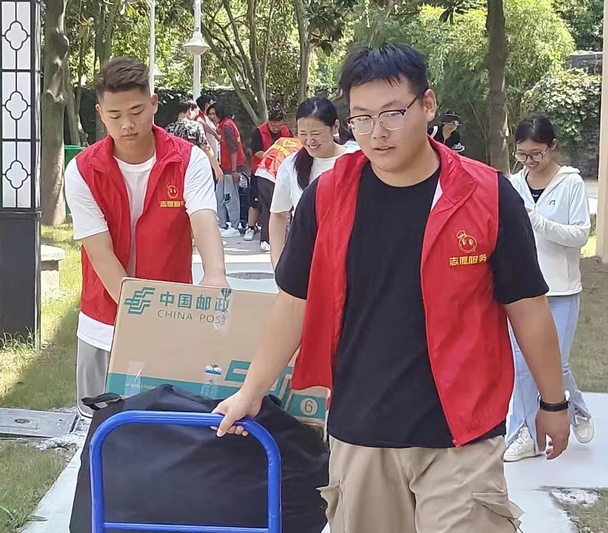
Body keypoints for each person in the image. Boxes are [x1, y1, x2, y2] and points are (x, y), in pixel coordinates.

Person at [213, 43, 571, 533]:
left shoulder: (487, 194)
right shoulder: (327, 197)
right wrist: (251, 391)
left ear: (427, 105)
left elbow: (527, 307)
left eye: (392, 114)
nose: (376, 133)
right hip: (362, 430)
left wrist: (553, 403)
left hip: (462, 434)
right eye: (361, 118)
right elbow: (294, 302)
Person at [64, 57, 228, 420]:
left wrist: (215, 273)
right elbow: (100, 253)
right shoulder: (82, 171)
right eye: (115, 115)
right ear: (100, 113)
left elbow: (203, 219)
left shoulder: (188, 160)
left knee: (166, 428)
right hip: (103, 324)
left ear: (153, 104)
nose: (127, 124)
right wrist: (139, 319)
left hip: (171, 318)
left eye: (136, 111)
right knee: (99, 429)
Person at [504, 114, 594, 462]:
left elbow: (580, 235)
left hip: (561, 289)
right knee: (523, 367)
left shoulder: (570, 183)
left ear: (552, 147)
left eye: (536, 153)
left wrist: (538, 221)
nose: (529, 161)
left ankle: (577, 409)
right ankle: (523, 433)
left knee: (557, 366)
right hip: (523, 290)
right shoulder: (514, 184)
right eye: (523, 154)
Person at [269, 97, 357, 267]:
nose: (309, 141)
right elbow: (278, 215)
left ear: (335, 127)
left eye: (316, 134)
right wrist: (278, 264)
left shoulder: (356, 160)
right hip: (307, 262)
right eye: (303, 134)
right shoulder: (290, 166)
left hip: (350, 261)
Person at [245, 108, 293, 243]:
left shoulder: (286, 132)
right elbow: (256, 152)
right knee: (256, 201)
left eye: (279, 125)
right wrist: (273, 155)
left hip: (279, 172)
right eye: (273, 125)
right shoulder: (259, 132)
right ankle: (251, 227)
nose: (276, 128)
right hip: (261, 171)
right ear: (268, 122)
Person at [253, 136, 303, 254]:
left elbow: (265, 154)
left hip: (262, 172)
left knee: (267, 209)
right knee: (282, 210)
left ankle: (265, 241)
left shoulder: (281, 140)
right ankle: (286, 242)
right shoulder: (302, 147)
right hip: (275, 174)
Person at [208, 101, 246, 238]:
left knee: (230, 197)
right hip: (224, 167)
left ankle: (234, 226)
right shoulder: (225, 125)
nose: (211, 116)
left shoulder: (227, 127)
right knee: (220, 196)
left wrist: (234, 170)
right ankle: (223, 224)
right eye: (210, 114)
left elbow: (233, 149)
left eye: (213, 113)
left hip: (230, 168)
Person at [166, 98, 223, 182]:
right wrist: (216, 168)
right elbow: (206, 147)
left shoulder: (168, 128)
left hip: (175, 169)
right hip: (193, 167)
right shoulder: (195, 126)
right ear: (189, 110)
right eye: (194, 111)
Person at [196, 95, 221, 162]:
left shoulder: (209, 117)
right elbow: (205, 126)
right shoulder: (200, 118)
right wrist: (216, 135)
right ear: (207, 105)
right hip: (207, 157)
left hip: (214, 155)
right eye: (212, 103)